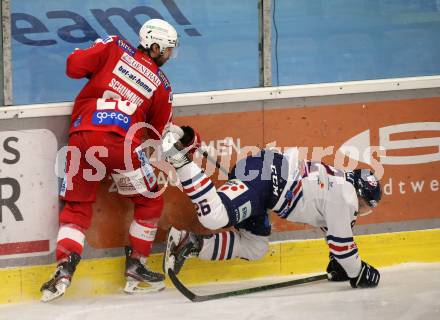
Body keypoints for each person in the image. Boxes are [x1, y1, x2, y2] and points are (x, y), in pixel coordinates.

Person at [40, 19, 179, 302]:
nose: (169, 56)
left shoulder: (114, 45)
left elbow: (73, 66)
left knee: (77, 209)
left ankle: (64, 270)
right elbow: (156, 133)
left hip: (81, 137)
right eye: (167, 50)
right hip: (121, 144)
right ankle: (137, 266)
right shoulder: (162, 85)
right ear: (154, 47)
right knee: (150, 199)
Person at [161, 124, 382, 289]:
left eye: (365, 208)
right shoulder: (345, 195)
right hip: (266, 180)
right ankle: (177, 157)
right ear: (358, 192)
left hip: (267, 186)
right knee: (215, 216)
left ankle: (188, 243)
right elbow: (342, 243)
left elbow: (333, 233)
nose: (359, 210)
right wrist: (359, 272)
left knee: (255, 247)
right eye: (363, 205)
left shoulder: (340, 186)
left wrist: (339, 262)